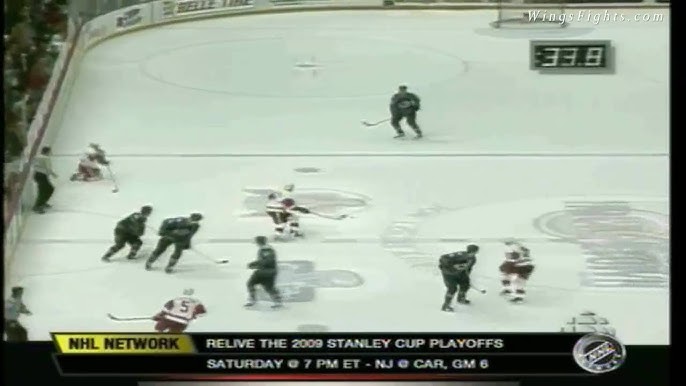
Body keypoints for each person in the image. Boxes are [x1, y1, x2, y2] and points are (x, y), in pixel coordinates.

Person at [438, 244, 479, 311]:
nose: (474, 253)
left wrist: (467, 276)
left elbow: (468, 268)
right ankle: (446, 306)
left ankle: (461, 299)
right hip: (449, 274)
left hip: (460, 274)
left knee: (465, 285)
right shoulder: (459, 255)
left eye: (475, 252)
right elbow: (443, 258)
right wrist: (451, 267)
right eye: (473, 252)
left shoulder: (473, 259)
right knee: (452, 289)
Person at [245, 236, 283, 308]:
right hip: (269, 271)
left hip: (266, 272)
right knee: (269, 287)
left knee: (251, 283)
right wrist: (255, 264)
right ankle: (278, 301)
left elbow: (267, 261)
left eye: (257, 242)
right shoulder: (266, 249)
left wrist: (254, 264)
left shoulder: (266, 250)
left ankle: (252, 300)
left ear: (259, 242)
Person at [32, 146, 57, 213]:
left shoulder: (37, 157)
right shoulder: (46, 158)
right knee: (46, 190)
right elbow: (48, 169)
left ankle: (42, 203)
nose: (50, 153)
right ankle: (37, 206)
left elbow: (33, 165)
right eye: (50, 151)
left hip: (36, 175)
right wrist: (53, 175)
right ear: (47, 152)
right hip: (42, 175)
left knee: (46, 189)